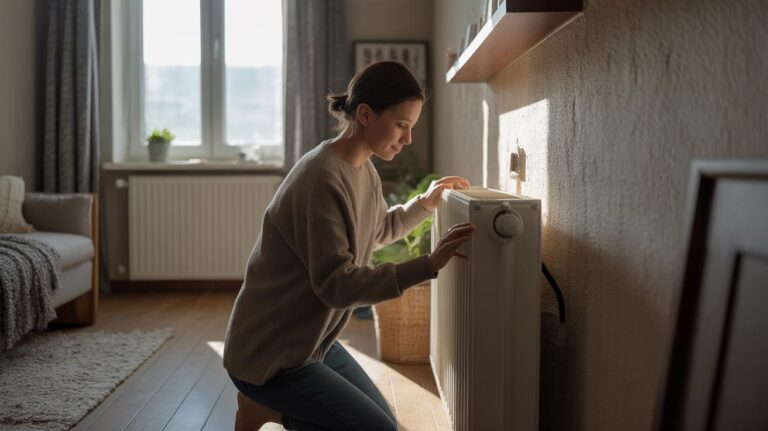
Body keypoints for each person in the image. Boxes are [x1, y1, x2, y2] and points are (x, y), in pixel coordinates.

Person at [223, 61, 475, 431]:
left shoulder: (362, 168)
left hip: (312, 344)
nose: (407, 139)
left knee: (384, 423)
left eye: (411, 128)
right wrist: (428, 264)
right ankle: (265, 405)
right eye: (402, 125)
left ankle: (266, 409)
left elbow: (377, 231)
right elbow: (338, 285)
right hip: (271, 355)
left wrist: (425, 203)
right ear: (365, 114)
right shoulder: (321, 179)